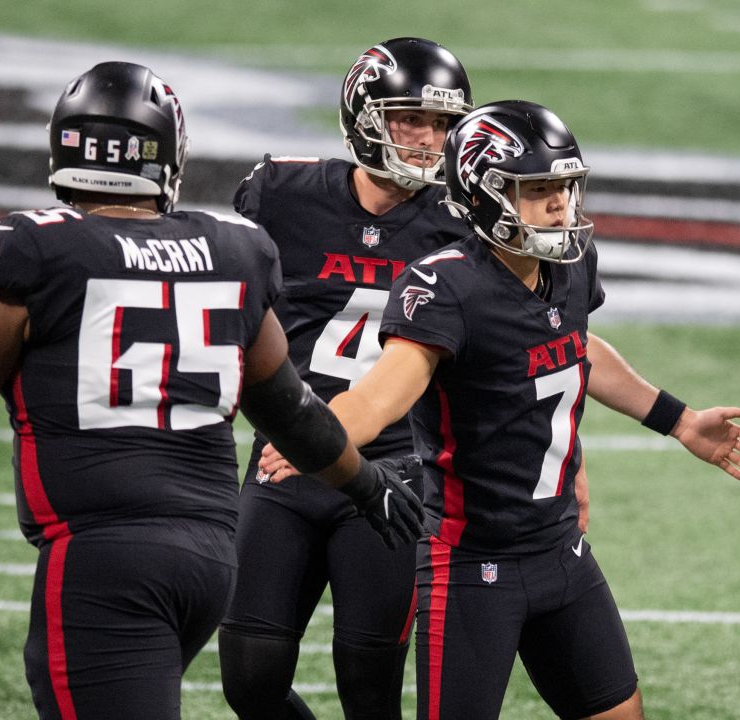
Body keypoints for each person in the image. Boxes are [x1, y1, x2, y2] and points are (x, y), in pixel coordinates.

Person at [0, 61, 422, 720]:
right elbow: (292, 408)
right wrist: (365, 485)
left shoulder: (36, 250)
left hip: (104, 555)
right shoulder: (231, 249)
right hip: (209, 556)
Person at [259, 100, 740, 720]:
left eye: (565, 186)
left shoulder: (571, 265)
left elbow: (575, 346)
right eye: (538, 190)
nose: (560, 204)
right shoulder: (446, 287)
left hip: (564, 552)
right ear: (485, 194)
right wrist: (314, 433)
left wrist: (680, 419)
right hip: (472, 567)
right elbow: (378, 395)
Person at [218, 37, 472, 720]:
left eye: (443, 124)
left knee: (370, 690)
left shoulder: (464, 226)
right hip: (286, 457)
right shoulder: (280, 194)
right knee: (250, 676)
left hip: (396, 472)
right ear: (364, 115)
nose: (428, 139)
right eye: (410, 118)